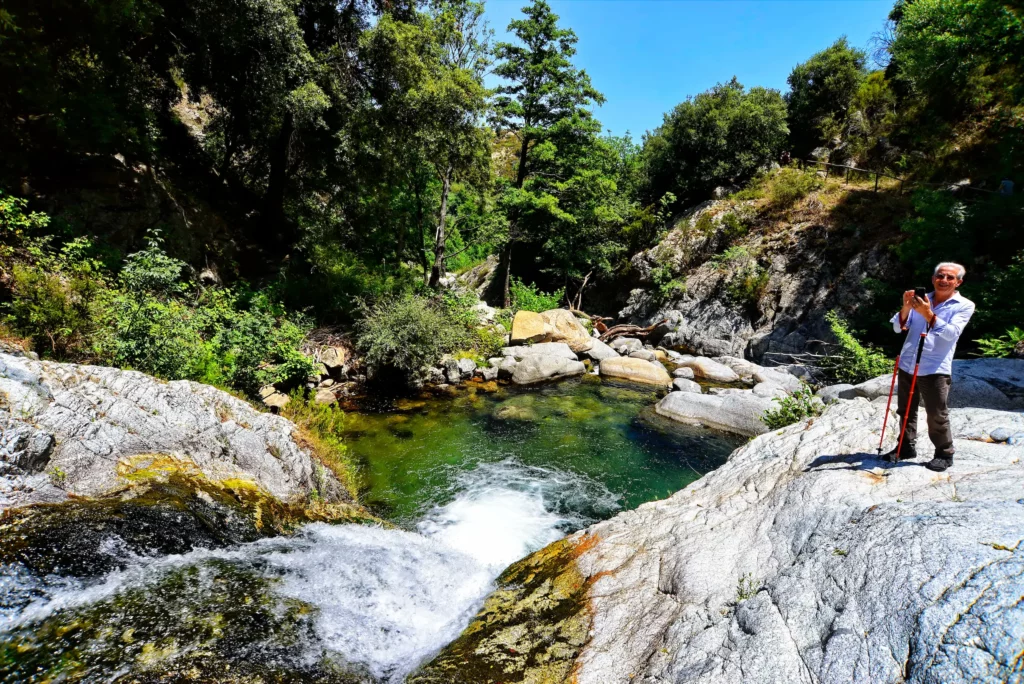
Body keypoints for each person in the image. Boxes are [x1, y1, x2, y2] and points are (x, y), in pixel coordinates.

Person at [885, 262, 975, 471]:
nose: (944, 280)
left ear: (958, 282)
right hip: (908, 362)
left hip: (935, 366)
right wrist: (907, 306)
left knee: (936, 413)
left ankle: (944, 452)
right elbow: (898, 328)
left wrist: (928, 314)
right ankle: (905, 446)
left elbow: (952, 333)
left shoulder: (964, 305)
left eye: (950, 278)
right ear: (933, 279)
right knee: (905, 409)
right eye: (940, 276)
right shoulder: (920, 300)